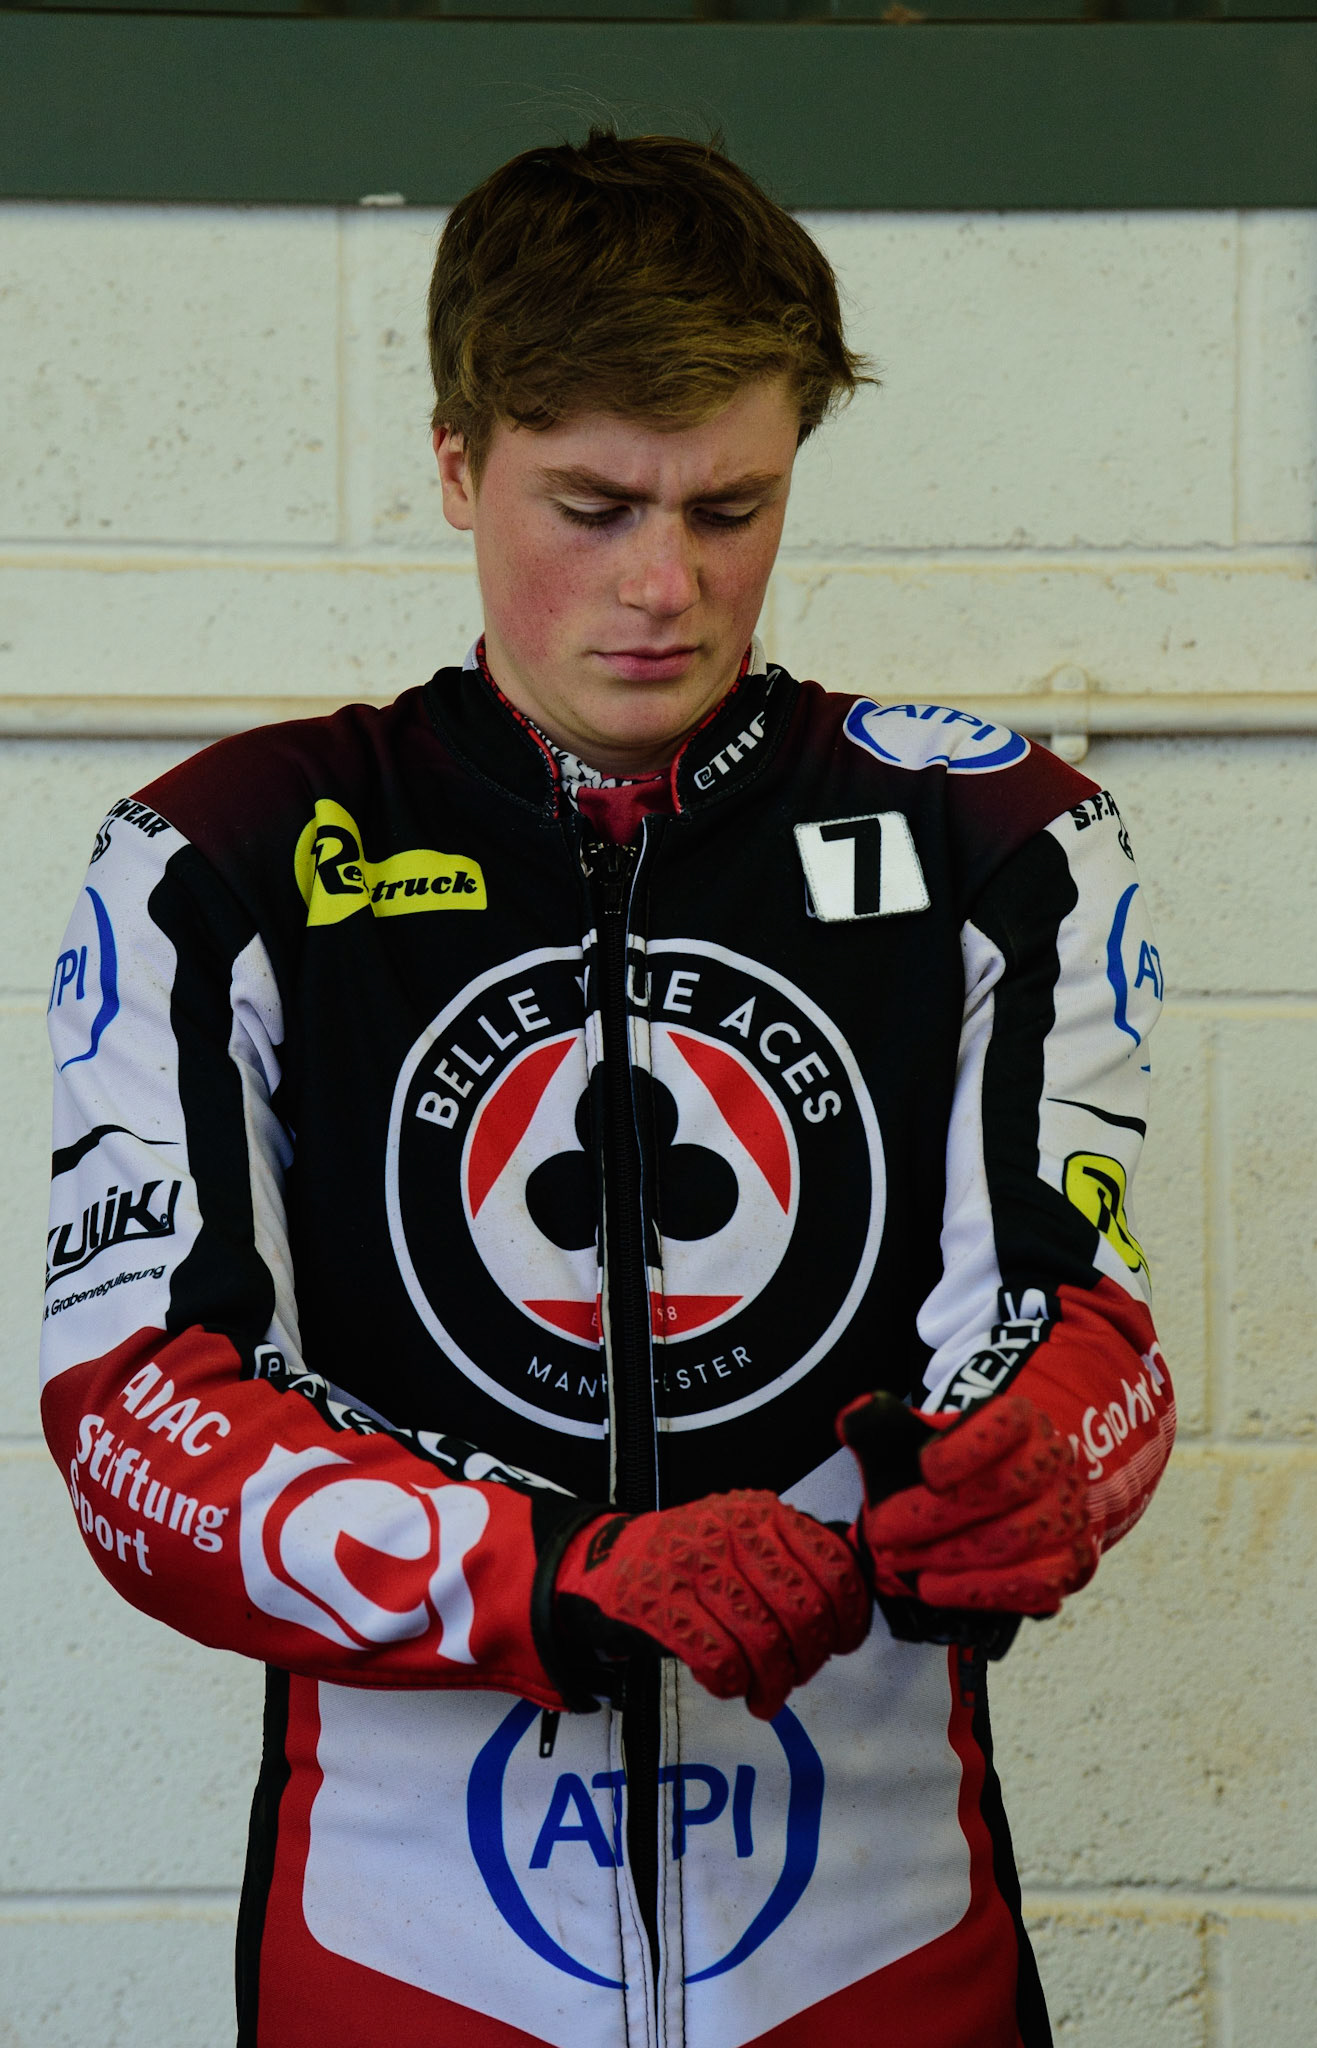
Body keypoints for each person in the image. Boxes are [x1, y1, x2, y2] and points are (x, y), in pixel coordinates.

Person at [40, 131, 1175, 2048]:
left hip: (877, 1946)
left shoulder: (1003, 837)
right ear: (455, 462)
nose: (665, 585)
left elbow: (1082, 1321)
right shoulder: (215, 853)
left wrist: (1037, 1461)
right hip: (405, 1958)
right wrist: (553, 1573)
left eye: (732, 507)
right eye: (591, 504)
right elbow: (138, 1408)